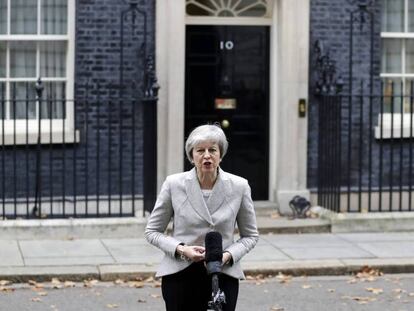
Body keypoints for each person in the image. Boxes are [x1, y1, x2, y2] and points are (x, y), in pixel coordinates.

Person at [145, 124, 259, 311]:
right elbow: (152, 232)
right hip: (180, 274)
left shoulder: (240, 186)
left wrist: (227, 255)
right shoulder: (174, 184)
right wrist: (182, 250)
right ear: (192, 156)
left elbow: (250, 236)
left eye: (212, 150)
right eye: (200, 150)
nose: (207, 155)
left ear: (220, 155)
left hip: (222, 273)